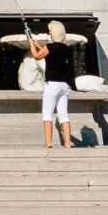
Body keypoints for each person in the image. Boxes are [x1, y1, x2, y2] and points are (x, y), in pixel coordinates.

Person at [38, 20, 81, 149]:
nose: (48, 33)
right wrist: (38, 46)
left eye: (49, 30)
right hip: (64, 86)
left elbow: (36, 56)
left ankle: (48, 143)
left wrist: (31, 44)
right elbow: (51, 56)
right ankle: (67, 144)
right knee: (63, 115)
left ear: (54, 32)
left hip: (52, 85)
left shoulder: (49, 47)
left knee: (47, 114)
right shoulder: (67, 49)